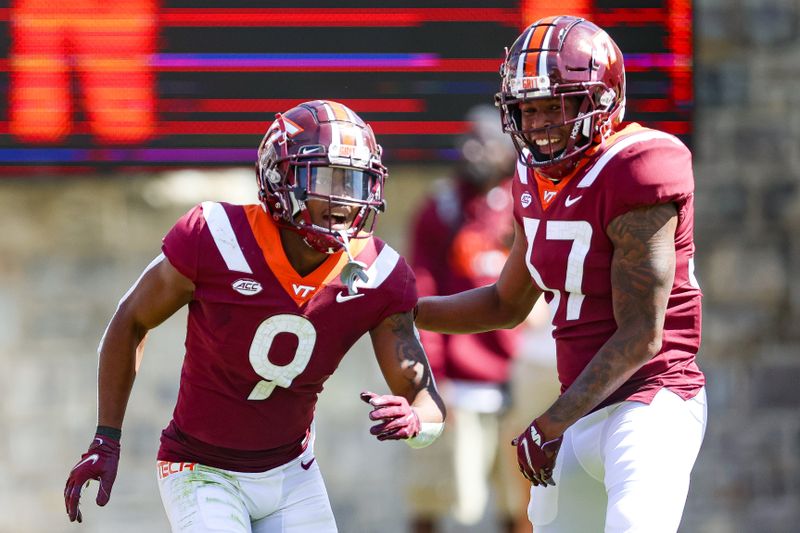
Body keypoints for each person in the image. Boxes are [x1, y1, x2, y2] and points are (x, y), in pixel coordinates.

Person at [64, 100, 446, 532]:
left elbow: (427, 399)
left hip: (291, 474)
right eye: (324, 177)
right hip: (202, 469)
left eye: (354, 182)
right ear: (280, 178)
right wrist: (106, 438)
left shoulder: (379, 272)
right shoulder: (216, 236)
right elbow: (131, 319)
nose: (341, 199)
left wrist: (417, 422)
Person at [414, 15, 707, 532]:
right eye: (528, 109)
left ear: (600, 102)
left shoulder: (638, 164)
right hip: (580, 408)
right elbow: (506, 303)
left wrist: (551, 420)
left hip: (649, 403)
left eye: (556, 105)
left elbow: (642, 332)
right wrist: (398, 311)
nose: (539, 123)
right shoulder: (532, 176)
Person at [405, 105, 531, 533]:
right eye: (470, 139)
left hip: (515, 379)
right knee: (437, 497)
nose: (475, 151)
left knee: (522, 503)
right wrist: (432, 379)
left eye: (486, 142)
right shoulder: (440, 209)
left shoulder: (524, 207)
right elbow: (421, 298)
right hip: (458, 383)